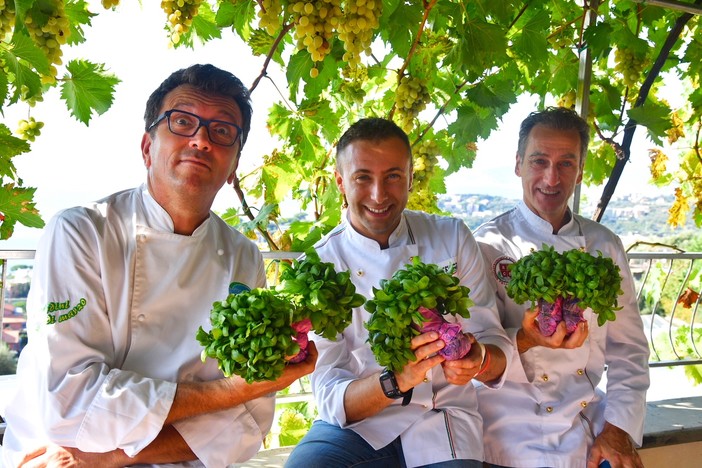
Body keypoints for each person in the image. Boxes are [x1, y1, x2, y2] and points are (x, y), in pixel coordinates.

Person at [2, 64, 316, 467]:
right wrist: (235, 390)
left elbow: (248, 423)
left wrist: (111, 456)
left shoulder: (243, 255)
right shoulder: (83, 232)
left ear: (233, 166)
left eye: (222, 131)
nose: (201, 139)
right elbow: (72, 403)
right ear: (148, 147)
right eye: (182, 122)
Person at [285, 117, 512, 468]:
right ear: (340, 182)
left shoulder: (451, 236)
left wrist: (478, 359)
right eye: (363, 177)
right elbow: (330, 393)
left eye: (393, 176)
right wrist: (397, 380)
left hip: (445, 420)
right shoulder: (317, 267)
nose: (379, 195)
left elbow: (493, 342)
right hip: (362, 423)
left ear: (409, 179)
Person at [473, 107, 650, 468]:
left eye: (566, 163)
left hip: (581, 419)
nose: (551, 178)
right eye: (539, 161)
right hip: (506, 422)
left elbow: (629, 351)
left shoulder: (604, 245)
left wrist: (618, 428)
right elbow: (477, 352)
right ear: (519, 164)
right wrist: (527, 338)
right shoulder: (486, 244)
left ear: (581, 170)